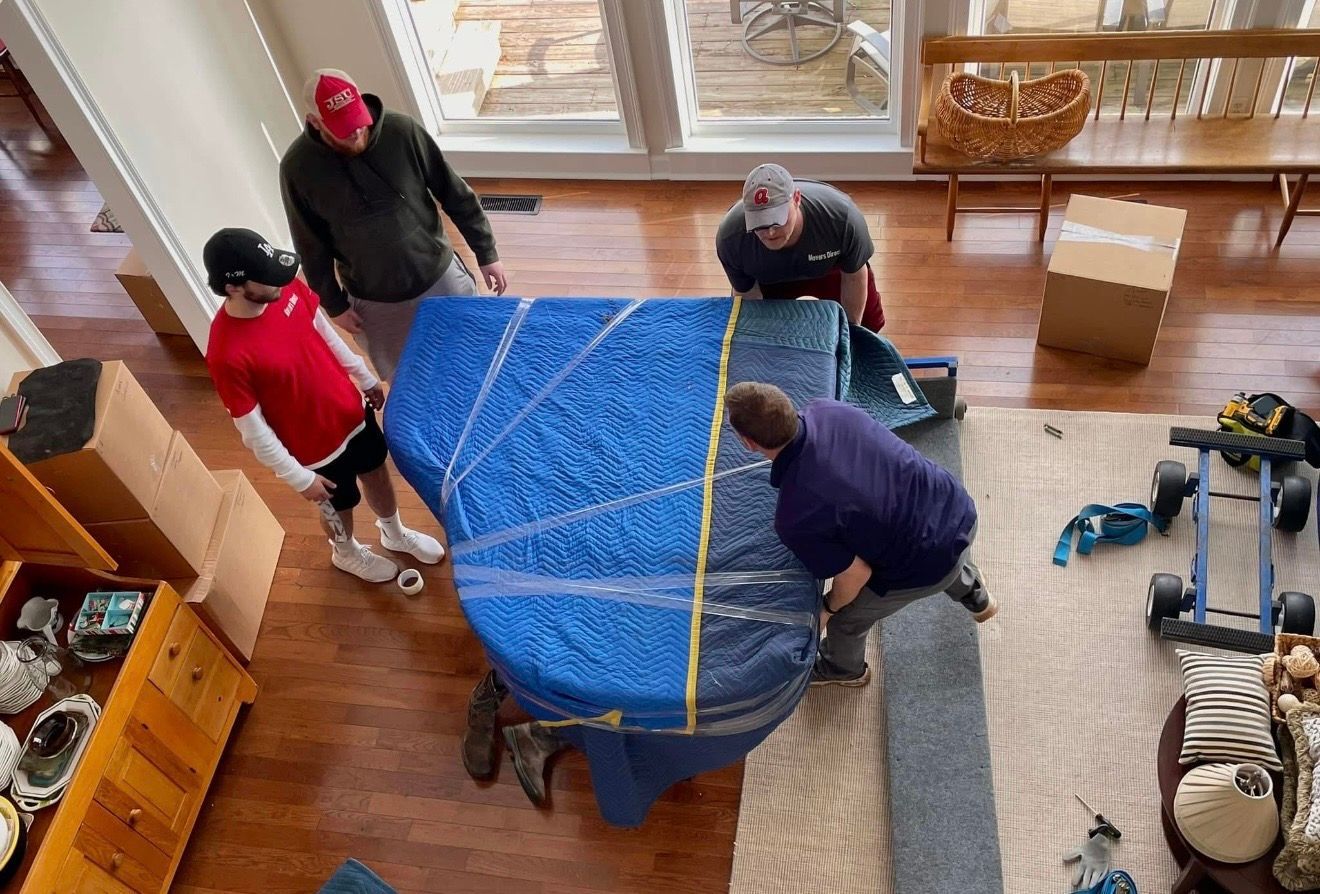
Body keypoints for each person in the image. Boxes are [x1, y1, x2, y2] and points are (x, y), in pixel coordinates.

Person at [203, 227, 445, 582]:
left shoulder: (286, 290)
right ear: (233, 288)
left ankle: (393, 532)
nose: (280, 282)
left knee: (377, 472)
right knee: (339, 505)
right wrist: (299, 478)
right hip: (314, 449)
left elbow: (325, 334)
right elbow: (252, 431)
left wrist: (362, 376)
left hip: (351, 413)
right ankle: (345, 553)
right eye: (267, 277)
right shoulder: (226, 354)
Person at [724, 381, 997, 687]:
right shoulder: (829, 409)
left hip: (927, 561)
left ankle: (843, 670)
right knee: (939, 550)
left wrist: (828, 608)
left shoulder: (795, 517)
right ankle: (974, 593)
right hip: (955, 506)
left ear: (748, 443)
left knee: (847, 620)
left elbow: (855, 576)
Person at [279, 69, 508, 381]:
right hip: (375, 296)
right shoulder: (298, 169)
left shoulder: (402, 132)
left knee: (475, 353)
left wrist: (486, 253)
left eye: (358, 123)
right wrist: (334, 306)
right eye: (344, 130)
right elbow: (309, 244)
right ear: (315, 122)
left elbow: (454, 193)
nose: (357, 134)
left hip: (437, 272)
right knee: (409, 378)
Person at [715, 163, 885, 332]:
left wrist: (851, 332)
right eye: (760, 225)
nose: (771, 232)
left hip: (830, 269)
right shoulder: (731, 238)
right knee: (757, 333)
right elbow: (747, 294)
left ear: (796, 199)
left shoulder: (843, 220)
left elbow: (854, 277)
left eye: (778, 220)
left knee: (868, 325)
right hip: (769, 277)